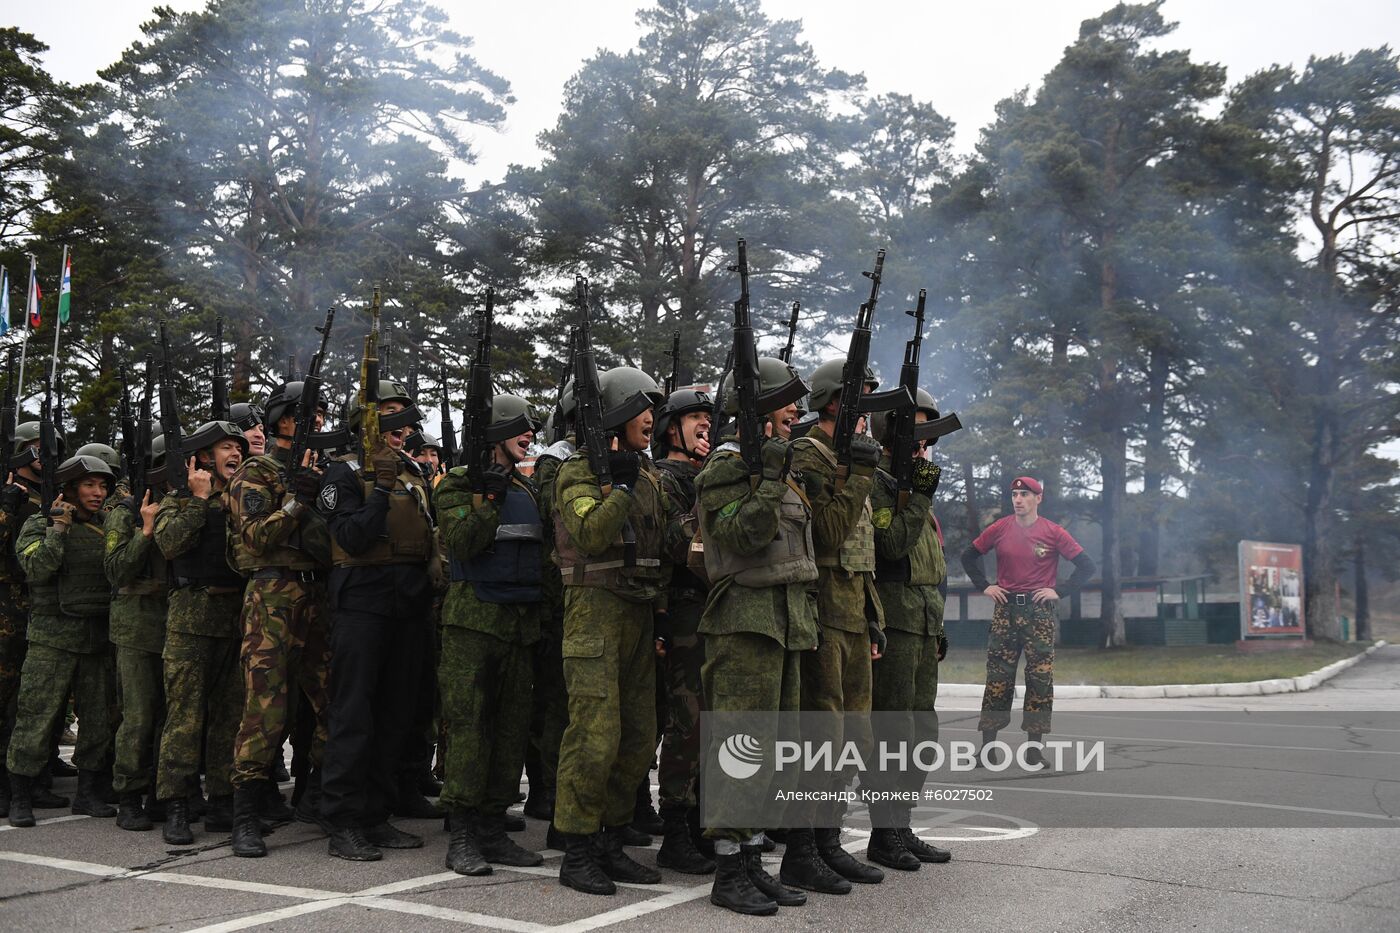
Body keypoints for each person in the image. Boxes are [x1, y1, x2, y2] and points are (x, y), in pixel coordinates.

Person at [694, 356, 815, 915]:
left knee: (774, 750)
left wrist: (774, 472)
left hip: (784, 622)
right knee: (739, 749)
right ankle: (728, 870)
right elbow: (743, 535)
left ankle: (752, 862)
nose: (796, 410)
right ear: (760, 407)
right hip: (744, 621)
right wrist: (766, 478)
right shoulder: (724, 467)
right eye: (785, 401)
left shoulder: (777, 464)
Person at [552, 366, 669, 896]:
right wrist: (618, 486)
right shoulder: (577, 472)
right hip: (594, 610)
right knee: (594, 737)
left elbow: (662, 543)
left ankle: (611, 840)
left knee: (638, 736)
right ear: (617, 414)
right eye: (642, 409)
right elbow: (592, 532)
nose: (651, 419)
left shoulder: (647, 474)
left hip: (639, 610)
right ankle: (577, 848)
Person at [316, 380, 435, 861]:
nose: (401, 427)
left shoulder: (412, 472)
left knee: (396, 712)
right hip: (362, 600)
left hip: (409, 601)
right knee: (354, 713)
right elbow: (352, 536)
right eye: (390, 414)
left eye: (404, 416)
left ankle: (376, 813)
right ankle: (343, 819)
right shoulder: (343, 473)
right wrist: (381, 488)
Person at [785, 359, 887, 888]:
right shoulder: (809, 454)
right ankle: (803, 848)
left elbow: (862, 551)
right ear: (832, 402)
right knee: (822, 736)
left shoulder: (852, 456)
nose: (867, 409)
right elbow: (825, 534)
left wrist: (873, 616)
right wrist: (860, 476)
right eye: (859, 397)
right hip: (823, 612)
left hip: (852, 615)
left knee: (854, 736)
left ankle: (828, 840)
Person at [435, 394, 546, 876]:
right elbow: (463, 542)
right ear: (496, 432)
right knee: (470, 728)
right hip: (473, 624)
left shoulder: (528, 487)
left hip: (520, 625)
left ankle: (493, 827)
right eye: (521, 427)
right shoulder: (459, 484)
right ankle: (462, 834)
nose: (529, 435)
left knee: (511, 730)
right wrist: (490, 499)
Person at [223, 382, 334, 857]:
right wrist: (296, 501)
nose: (319, 420)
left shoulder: (323, 469)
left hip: (319, 594)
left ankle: (317, 795)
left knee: (332, 702)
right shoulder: (257, 472)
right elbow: (254, 537)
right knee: (265, 708)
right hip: (273, 596)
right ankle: (245, 814)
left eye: (323, 412)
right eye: (310, 413)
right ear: (283, 420)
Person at [6, 454, 118, 827]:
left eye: (102, 486)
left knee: (97, 722)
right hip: (51, 638)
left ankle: (87, 794)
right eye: (89, 485)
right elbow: (37, 568)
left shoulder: (106, 526)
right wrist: (57, 528)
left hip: (95, 638)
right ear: (68, 489)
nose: (98, 493)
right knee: (36, 718)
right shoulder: (39, 524)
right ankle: (21, 795)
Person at [866, 389, 952, 869]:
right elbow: (892, 546)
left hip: (921, 622)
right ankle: (883, 832)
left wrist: (936, 625)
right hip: (894, 622)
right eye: (916, 432)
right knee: (892, 730)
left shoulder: (915, 489)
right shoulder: (878, 486)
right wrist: (919, 495)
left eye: (927, 434)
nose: (924, 444)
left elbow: (931, 566)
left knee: (922, 732)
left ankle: (901, 824)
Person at [153, 421, 249, 844]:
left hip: (236, 622)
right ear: (205, 457)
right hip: (191, 624)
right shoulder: (176, 500)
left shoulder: (244, 498)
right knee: (184, 720)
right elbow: (169, 544)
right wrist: (197, 499)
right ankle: (177, 804)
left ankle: (223, 801)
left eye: (238, 447)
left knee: (230, 719)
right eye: (226, 447)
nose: (236, 454)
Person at [961, 476, 1096, 765]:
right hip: (1006, 610)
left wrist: (1059, 591)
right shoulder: (1000, 528)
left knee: (1039, 679)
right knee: (998, 677)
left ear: (1038, 498)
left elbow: (1087, 566)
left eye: (1024, 494)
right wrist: (985, 586)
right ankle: (987, 749)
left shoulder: (1053, 532)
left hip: (1038, 613)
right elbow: (968, 556)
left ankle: (1034, 750)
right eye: (1015, 495)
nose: (1018, 499)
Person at [649, 386, 716, 874]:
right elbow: (680, 544)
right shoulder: (664, 479)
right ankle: (675, 828)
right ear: (671, 428)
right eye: (694, 417)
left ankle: (702, 823)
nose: (705, 425)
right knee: (687, 724)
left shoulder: (709, 475)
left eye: (708, 419)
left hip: (717, 610)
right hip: (686, 610)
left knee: (714, 724)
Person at [104, 432, 171, 831]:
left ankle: (163, 793)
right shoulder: (125, 512)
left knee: (169, 716)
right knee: (139, 717)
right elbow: (115, 571)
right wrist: (145, 531)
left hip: (175, 622)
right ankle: (129, 794)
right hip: (135, 625)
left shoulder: (182, 505)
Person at [525, 382, 575, 843]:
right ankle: (544, 788)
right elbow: (550, 515)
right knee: (553, 699)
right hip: (554, 597)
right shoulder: (553, 463)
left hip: (571, 596)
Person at [0, 423, 50, 819]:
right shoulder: (8, 495)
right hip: (5, 606)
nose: (44, 454)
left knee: (29, 700)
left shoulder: (45, 495)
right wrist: (6, 507)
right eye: (36, 447)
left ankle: (31, 778)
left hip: (37, 604)